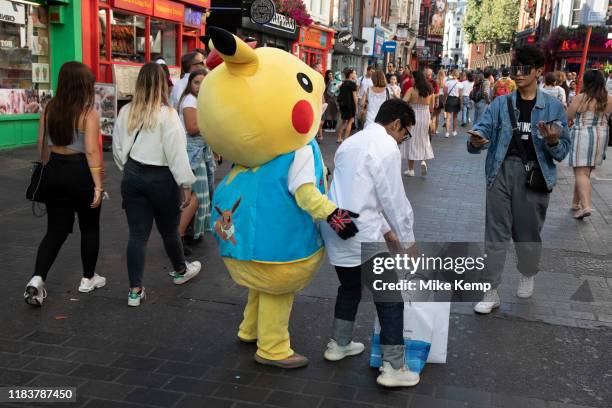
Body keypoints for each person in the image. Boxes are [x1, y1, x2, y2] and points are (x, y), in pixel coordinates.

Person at [321, 99, 420, 388]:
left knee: (349, 286)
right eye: (405, 134)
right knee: (389, 297)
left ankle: (338, 344)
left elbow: (361, 191)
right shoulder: (386, 147)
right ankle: (392, 367)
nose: (403, 140)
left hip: (337, 225)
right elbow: (393, 199)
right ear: (396, 124)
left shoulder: (352, 142)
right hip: (362, 231)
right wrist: (409, 241)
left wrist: (389, 233)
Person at [467, 45, 571, 314]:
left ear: (538, 71)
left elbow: (562, 152)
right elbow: (483, 128)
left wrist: (553, 140)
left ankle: (527, 271)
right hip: (501, 171)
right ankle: (490, 290)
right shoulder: (501, 104)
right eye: (516, 68)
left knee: (527, 233)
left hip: (534, 175)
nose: (519, 74)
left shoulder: (553, 107)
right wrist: (477, 137)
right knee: (495, 234)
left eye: (526, 69)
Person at [113, 63, 201, 307]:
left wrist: (128, 170)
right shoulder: (168, 115)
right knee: (169, 230)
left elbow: (118, 149)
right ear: (163, 85)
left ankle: (134, 290)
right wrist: (186, 184)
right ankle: (180, 270)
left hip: (133, 175)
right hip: (162, 178)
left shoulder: (126, 111)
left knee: (137, 235)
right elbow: (176, 153)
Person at [24, 62, 105, 307]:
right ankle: (88, 278)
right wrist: (98, 185)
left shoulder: (49, 108)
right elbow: (91, 151)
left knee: (55, 230)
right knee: (90, 228)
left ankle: (38, 278)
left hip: (55, 170)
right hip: (80, 172)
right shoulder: (87, 112)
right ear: (83, 86)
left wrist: (49, 171)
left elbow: (41, 145)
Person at [177, 68, 214, 251]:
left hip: (199, 152)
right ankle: (180, 235)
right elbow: (192, 128)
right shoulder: (190, 100)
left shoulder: (199, 100)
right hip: (193, 153)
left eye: (203, 82)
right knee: (195, 197)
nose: (199, 86)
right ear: (189, 83)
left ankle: (189, 232)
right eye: (196, 82)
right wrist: (212, 121)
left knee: (198, 195)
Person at [567, 70, 612, 219]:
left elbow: (569, 116)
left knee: (580, 172)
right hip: (601, 136)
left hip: (583, 135)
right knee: (585, 172)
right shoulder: (609, 98)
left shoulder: (580, 98)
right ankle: (575, 203)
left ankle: (586, 207)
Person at [402, 70, 435, 177]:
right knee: (423, 138)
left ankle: (410, 169)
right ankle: (423, 161)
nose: (410, 79)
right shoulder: (430, 90)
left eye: (412, 77)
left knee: (411, 140)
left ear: (415, 79)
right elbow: (432, 106)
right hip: (425, 115)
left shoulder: (412, 90)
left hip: (414, 115)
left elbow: (404, 102)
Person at [337, 68, 358, 143]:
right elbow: (355, 97)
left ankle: (339, 138)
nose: (355, 75)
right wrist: (356, 107)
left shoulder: (343, 83)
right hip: (350, 105)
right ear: (350, 74)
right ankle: (346, 139)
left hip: (343, 105)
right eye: (354, 73)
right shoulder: (352, 84)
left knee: (343, 121)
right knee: (350, 121)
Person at [443, 69, 463, 137]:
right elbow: (460, 95)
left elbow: (445, 93)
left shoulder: (447, 83)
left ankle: (447, 133)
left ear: (452, 74)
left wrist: (445, 100)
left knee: (448, 117)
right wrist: (462, 103)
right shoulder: (460, 84)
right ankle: (454, 131)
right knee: (455, 117)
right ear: (458, 76)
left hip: (449, 99)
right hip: (456, 100)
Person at [432, 69, 446, 135]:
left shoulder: (435, 81)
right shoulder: (444, 81)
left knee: (433, 115)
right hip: (441, 98)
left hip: (435, 97)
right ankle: (436, 130)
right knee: (438, 115)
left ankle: (433, 129)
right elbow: (445, 92)